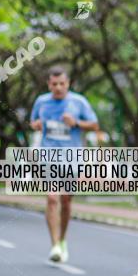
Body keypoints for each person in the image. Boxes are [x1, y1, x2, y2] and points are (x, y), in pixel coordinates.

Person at [30, 66, 99, 263]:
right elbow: (33, 121)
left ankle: (63, 239)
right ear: (48, 84)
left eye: (62, 84)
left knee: (66, 200)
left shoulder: (79, 102)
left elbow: (95, 125)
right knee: (52, 198)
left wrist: (76, 123)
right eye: (54, 84)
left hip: (72, 158)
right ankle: (54, 246)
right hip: (49, 156)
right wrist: (35, 125)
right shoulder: (41, 101)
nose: (58, 87)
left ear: (67, 83)